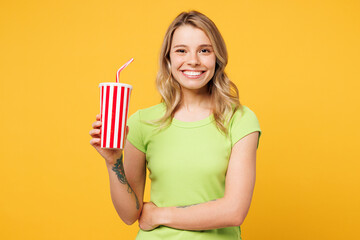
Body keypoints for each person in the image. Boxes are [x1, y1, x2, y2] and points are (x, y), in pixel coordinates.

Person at [90, 10, 261, 240]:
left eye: (204, 50)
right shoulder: (142, 123)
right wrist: (113, 162)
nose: (193, 60)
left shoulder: (241, 120)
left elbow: (234, 211)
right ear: (168, 60)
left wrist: (160, 215)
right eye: (181, 50)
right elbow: (130, 214)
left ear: (217, 57)